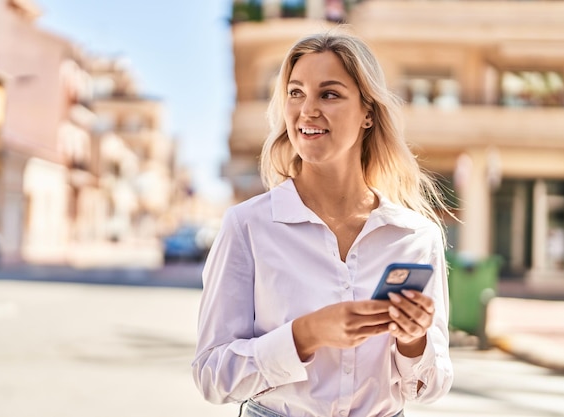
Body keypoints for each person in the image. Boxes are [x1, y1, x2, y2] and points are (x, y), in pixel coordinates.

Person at [192, 29, 453, 417]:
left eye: (328, 94)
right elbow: (213, 377)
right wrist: (305, 335)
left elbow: (429, 389)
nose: (307, 110)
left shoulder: (416, 236)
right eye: (295, 93)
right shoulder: (248, 226)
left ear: (368, 112)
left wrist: (413, 340)